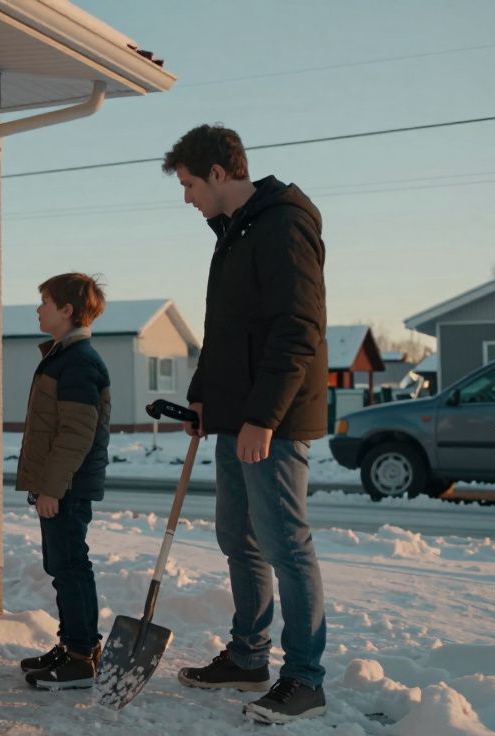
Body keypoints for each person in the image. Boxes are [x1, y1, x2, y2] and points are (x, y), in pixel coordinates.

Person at [163, 124, 329, 724]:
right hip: (236, 415)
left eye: (187, 184)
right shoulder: (233, 232)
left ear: (216, 174)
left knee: (286, 543)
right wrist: (204, 395)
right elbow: (226, 330)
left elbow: (298, 328)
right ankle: (248, 656)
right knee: (240, 539)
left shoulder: (284, 222)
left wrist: (263, 416)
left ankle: (305, 679)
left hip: (272, 420)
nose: (186, 198)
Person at [13, 273, 111, 690]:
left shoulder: (79, 362)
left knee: (70, 565)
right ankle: (76, 645)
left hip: (67, 485)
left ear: (67, 310)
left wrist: (53, 487)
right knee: (63, 565)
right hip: (59, 483)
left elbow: (75, 434)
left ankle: (80, 655)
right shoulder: (62, 357)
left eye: (46, 302)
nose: (39, 309)